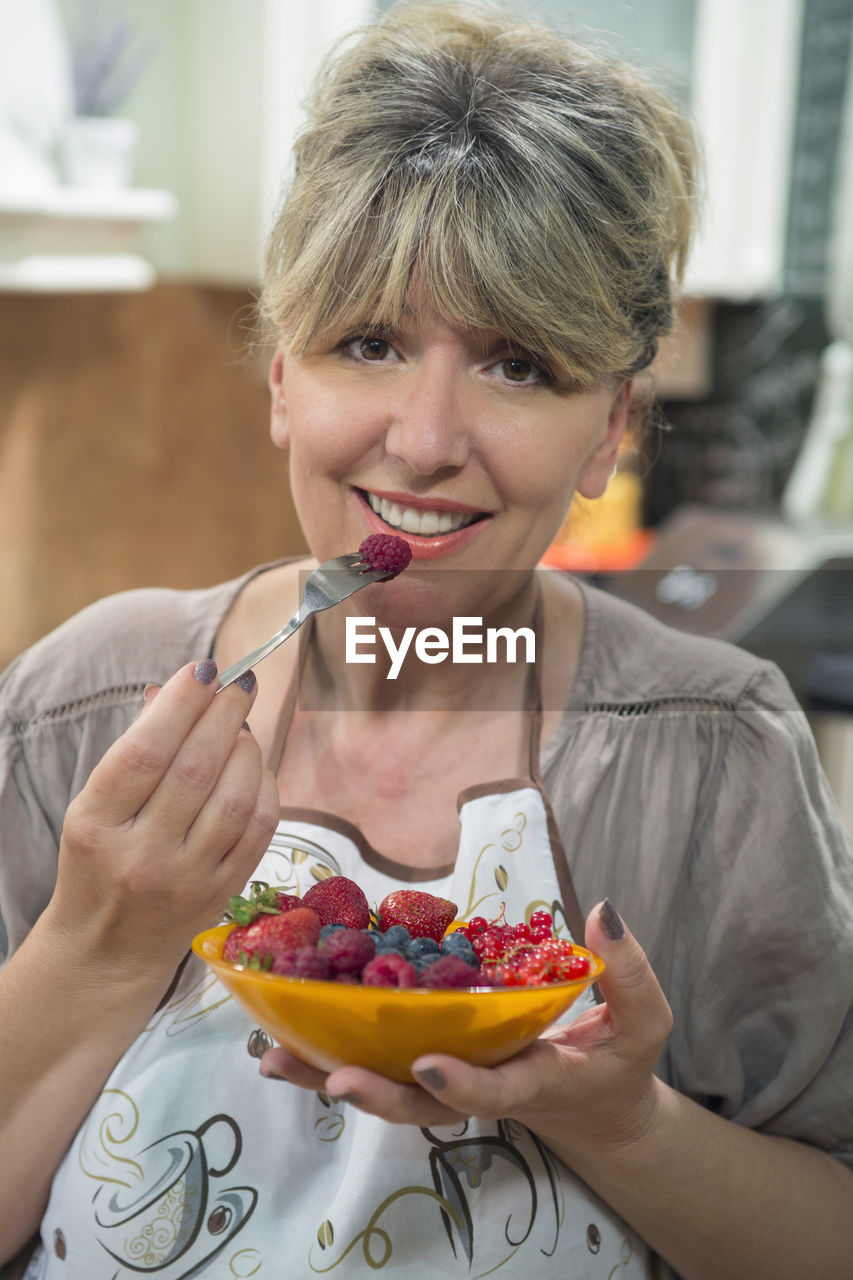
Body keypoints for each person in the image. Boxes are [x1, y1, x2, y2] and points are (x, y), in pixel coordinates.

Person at [1, 3, 852, 1277]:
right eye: (369, 343)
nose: (423, 438)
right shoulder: (84, 700)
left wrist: (622, 1118)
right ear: (284, 380)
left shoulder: (714, 749)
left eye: (517, 363)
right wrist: (95, 944)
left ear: (612, 424)